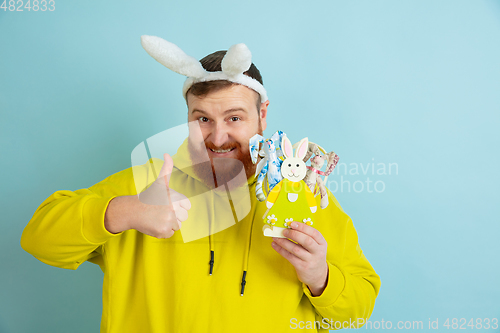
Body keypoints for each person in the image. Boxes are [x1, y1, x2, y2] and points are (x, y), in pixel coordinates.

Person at [21, 36, 381, 333]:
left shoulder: (306, 197)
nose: (218, 136)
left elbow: (355, 313)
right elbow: (38, 240)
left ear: (263, 115)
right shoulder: (145, 183)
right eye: (203, 118)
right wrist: (124, 211)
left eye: (235, 117)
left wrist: (322, 278)